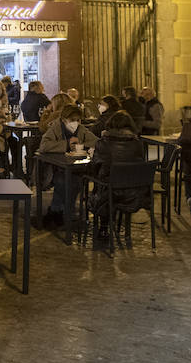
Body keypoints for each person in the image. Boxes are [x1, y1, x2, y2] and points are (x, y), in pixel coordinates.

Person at [87, 111, 147, 252]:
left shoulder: (103, 144)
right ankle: (120, 227)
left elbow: (93, 169)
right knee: (113, 183)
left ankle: (104, 227)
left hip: (108, 195)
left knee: (102, 183)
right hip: (133, 193)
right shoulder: (138, 144)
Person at [37, 104, 98, 230]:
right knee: (63, 181)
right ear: (64, 119)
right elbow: (44, 145)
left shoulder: (81, 129)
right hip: (54, 167)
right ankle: (63, 212)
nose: (75, 123)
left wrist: (81, 145)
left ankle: (56, 211)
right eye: (72, 120)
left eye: (78, 120)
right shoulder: (56, 128)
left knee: (74, 180)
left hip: (75, 167)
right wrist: (65, 145)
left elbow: (96, 141)